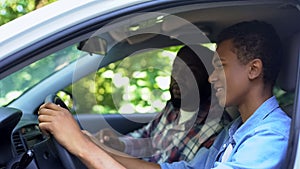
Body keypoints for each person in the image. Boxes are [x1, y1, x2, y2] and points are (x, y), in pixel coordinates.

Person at [38, 20, 291, 169]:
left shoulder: (272, 136)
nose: (212, 77)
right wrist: (92, 144)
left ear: (253, 69)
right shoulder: (236, 130)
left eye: (220, 66)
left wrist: (81, 147)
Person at [87, 45, 232, 163]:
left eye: (190, 71)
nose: (177, 77)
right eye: (175, 69)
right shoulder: (172, 108)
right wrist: (119, 145)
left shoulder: (216, 131)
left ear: (209, 78)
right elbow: (148, 140)